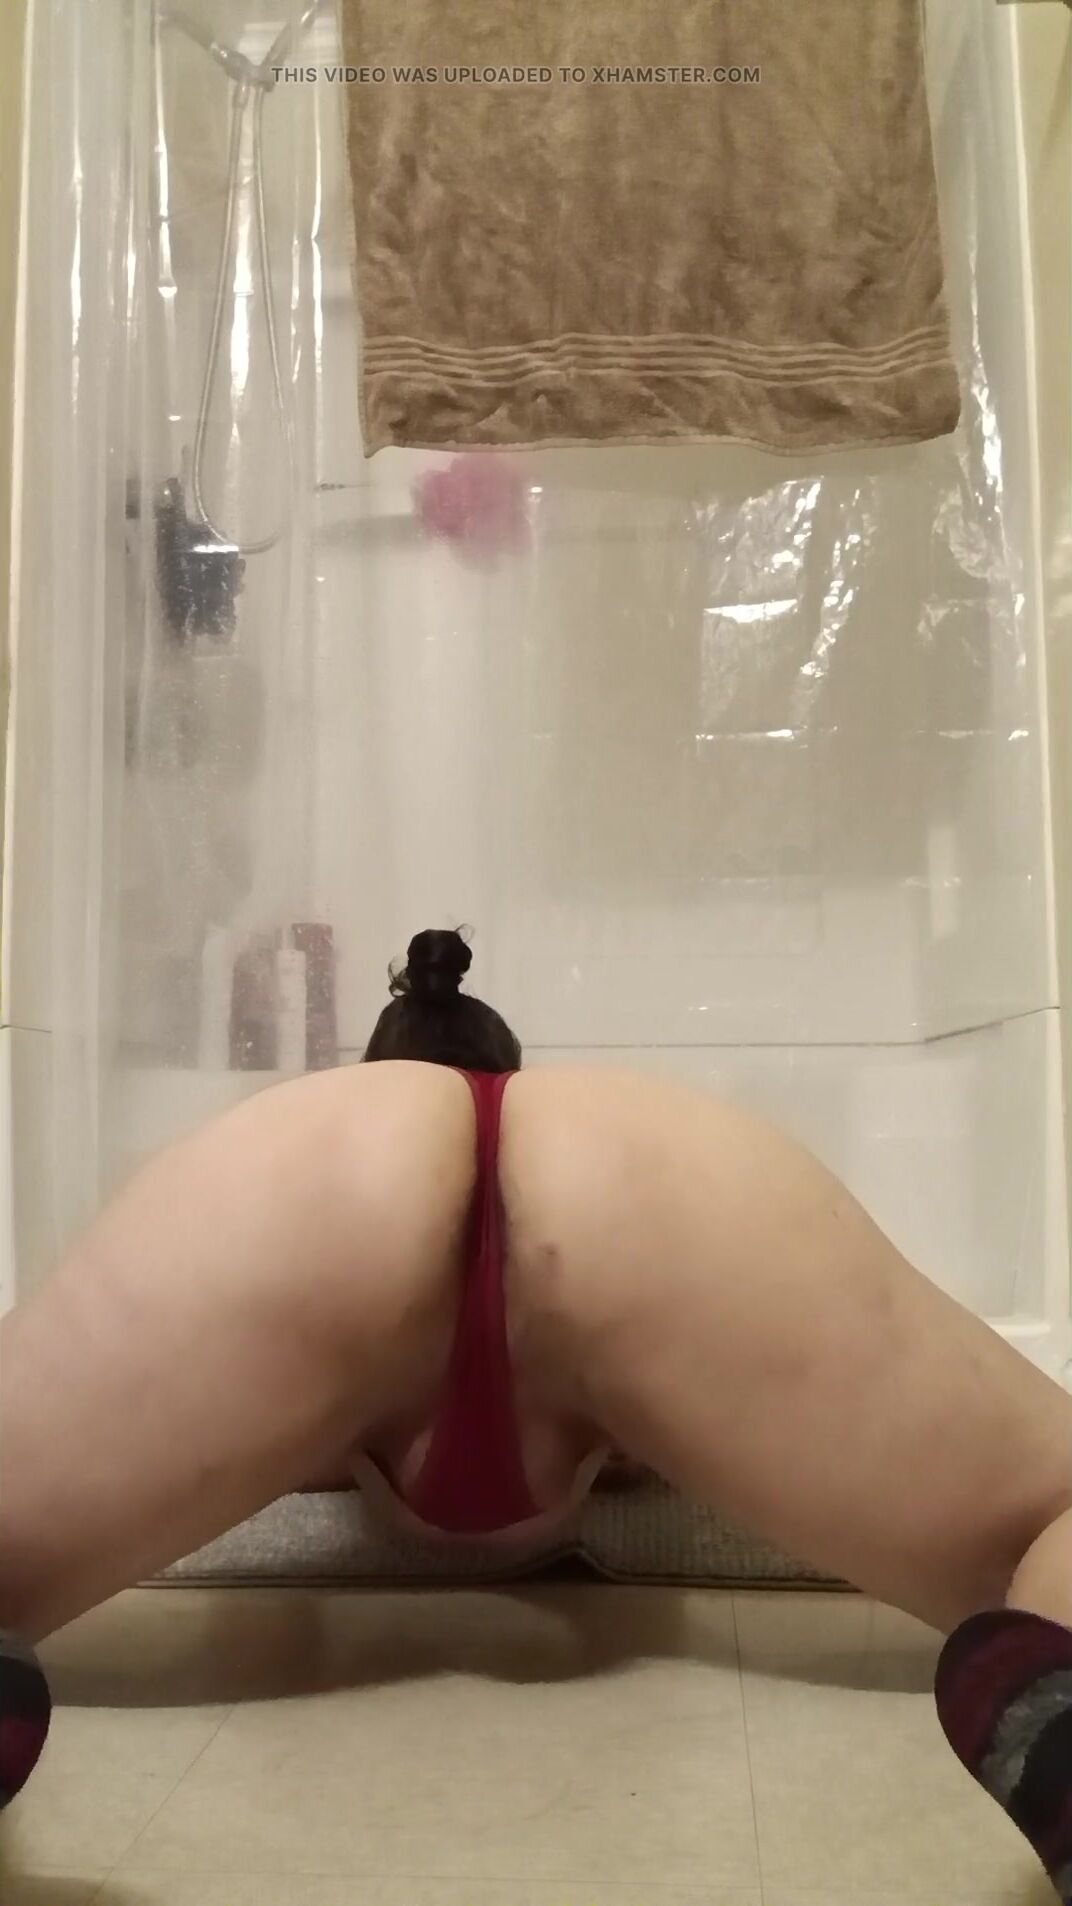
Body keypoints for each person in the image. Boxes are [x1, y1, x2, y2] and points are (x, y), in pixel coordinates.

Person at [2, 926, 1072, 1895]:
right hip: (640, 1177)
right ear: (505, 1073)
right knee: (1053, 1511)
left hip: (307, 1185)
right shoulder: (588, 1120)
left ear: (380, 1067)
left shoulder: (333, 1124)